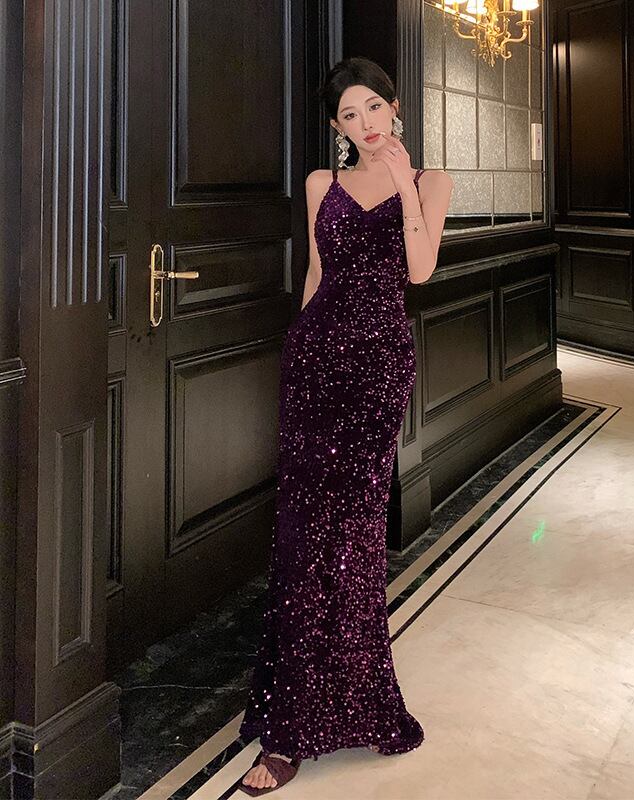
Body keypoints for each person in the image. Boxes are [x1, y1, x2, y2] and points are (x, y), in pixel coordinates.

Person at [238, 56, 453, 795]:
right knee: (302, 536)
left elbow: (419, 271)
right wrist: (299, 349)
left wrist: (403, 185)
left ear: (395, 108)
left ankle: (357, 704)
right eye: (349, 116)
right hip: (314, 365)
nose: (365, 124)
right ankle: (289, 728)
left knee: (355, 537)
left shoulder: (431, 182)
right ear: (337, 127)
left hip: (378, 370)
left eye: (373, 108)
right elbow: (316, 274)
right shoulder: (320, 185)